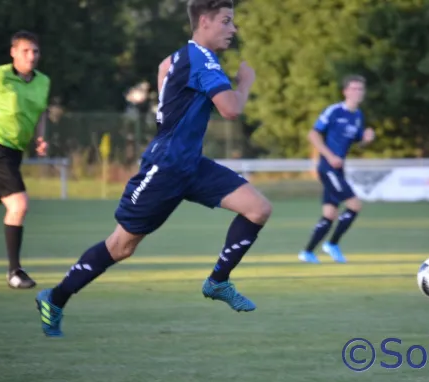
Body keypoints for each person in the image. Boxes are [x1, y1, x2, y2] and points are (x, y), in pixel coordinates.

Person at [35, 0, 272, 337]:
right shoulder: (202, 59)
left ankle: (218, 282)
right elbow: (231, 109)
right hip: (164, 168)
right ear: (204, 21)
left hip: (190, 164)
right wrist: (245, 82)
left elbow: (164, 68)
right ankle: (55, 298)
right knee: (121, 246)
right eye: (227, 21)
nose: (233, 29)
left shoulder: (182, 57)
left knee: (258, 209)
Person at [0, 30, 50, 289]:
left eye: (35, 51)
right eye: (25, 51)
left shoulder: (42, 81)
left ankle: (14, 271)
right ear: (13, 53)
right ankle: (14, 272)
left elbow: (41, 112)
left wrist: (40, 138)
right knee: (19, 205)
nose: (31, 56)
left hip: (14, 153)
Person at [298, 75, 374, 264]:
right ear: (345, 91)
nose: (357, 92)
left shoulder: (358, 116)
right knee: (355, 205)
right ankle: (332, 244)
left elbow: (357, 141)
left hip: (339, 170)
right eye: (354, 88)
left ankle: (307, 253)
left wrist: (366, 139)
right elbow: (313, 134)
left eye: (360, 89)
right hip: (327, 167)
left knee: (330, 214)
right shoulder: (334, 111)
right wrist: (330, 156)